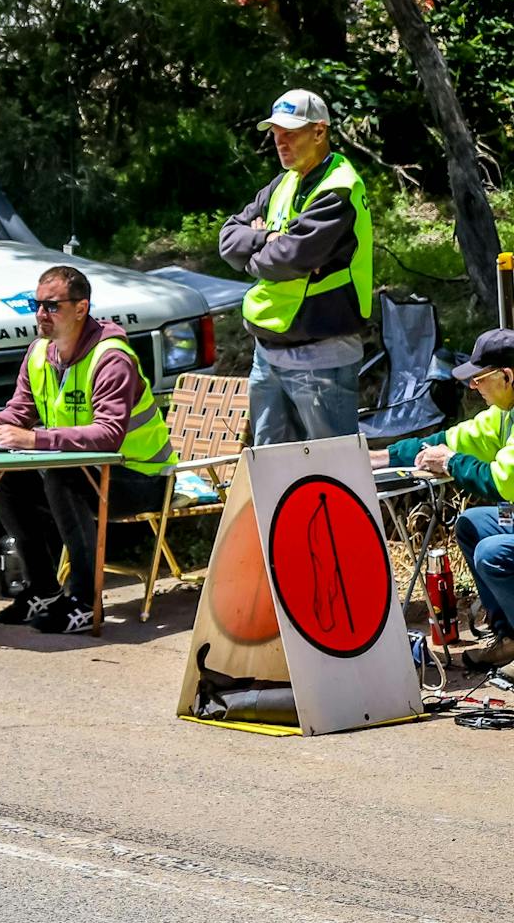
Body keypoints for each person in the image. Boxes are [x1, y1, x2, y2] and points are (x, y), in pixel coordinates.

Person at [0, 265, 178, 634]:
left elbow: (109, 434)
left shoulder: (111, 358)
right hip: (92, 472)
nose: (40, 315)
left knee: (64, 477)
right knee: (3, 477)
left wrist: (34, 440)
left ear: (81, 309)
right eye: (36, 305)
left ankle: (84, 600)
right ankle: (44, 590)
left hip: (144, 478)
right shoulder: (38, 353)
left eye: (51, 306)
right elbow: (21, 411)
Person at [218, 89, 372, 445]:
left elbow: (288, 259)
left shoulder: (339, 188)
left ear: (319, 132)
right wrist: (266, 240)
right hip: (268, 353)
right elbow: (228, 239)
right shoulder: (283, 182)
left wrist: (265, 248)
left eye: (290, 133)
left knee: (332, 473)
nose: (280, 142)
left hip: (322, 354)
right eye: (275, 133)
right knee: (272, 472)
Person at [372, 329, 514, 671]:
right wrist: (386, 456)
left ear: (507, 376)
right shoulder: (506, 410)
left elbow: (503, 482)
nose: (473, 388)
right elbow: (456, 438)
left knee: (491, 554)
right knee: (472, 524)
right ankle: (507, 638)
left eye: (480, 379)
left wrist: (451, 462)